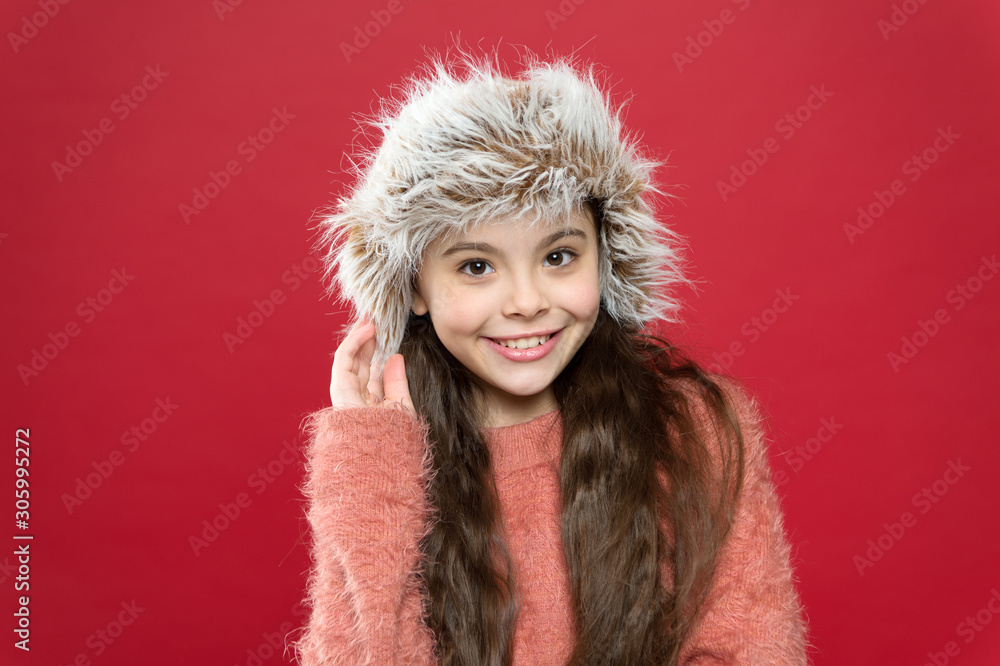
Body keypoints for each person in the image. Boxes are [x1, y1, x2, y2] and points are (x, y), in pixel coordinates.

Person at [291, 47, 811, 665]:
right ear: (415, 287)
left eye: (558, 256)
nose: (527, 302)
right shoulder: (385, 460)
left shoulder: (694, 431)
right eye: (476, 266)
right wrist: (372, 466)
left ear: (604, 257)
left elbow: (750, 648)